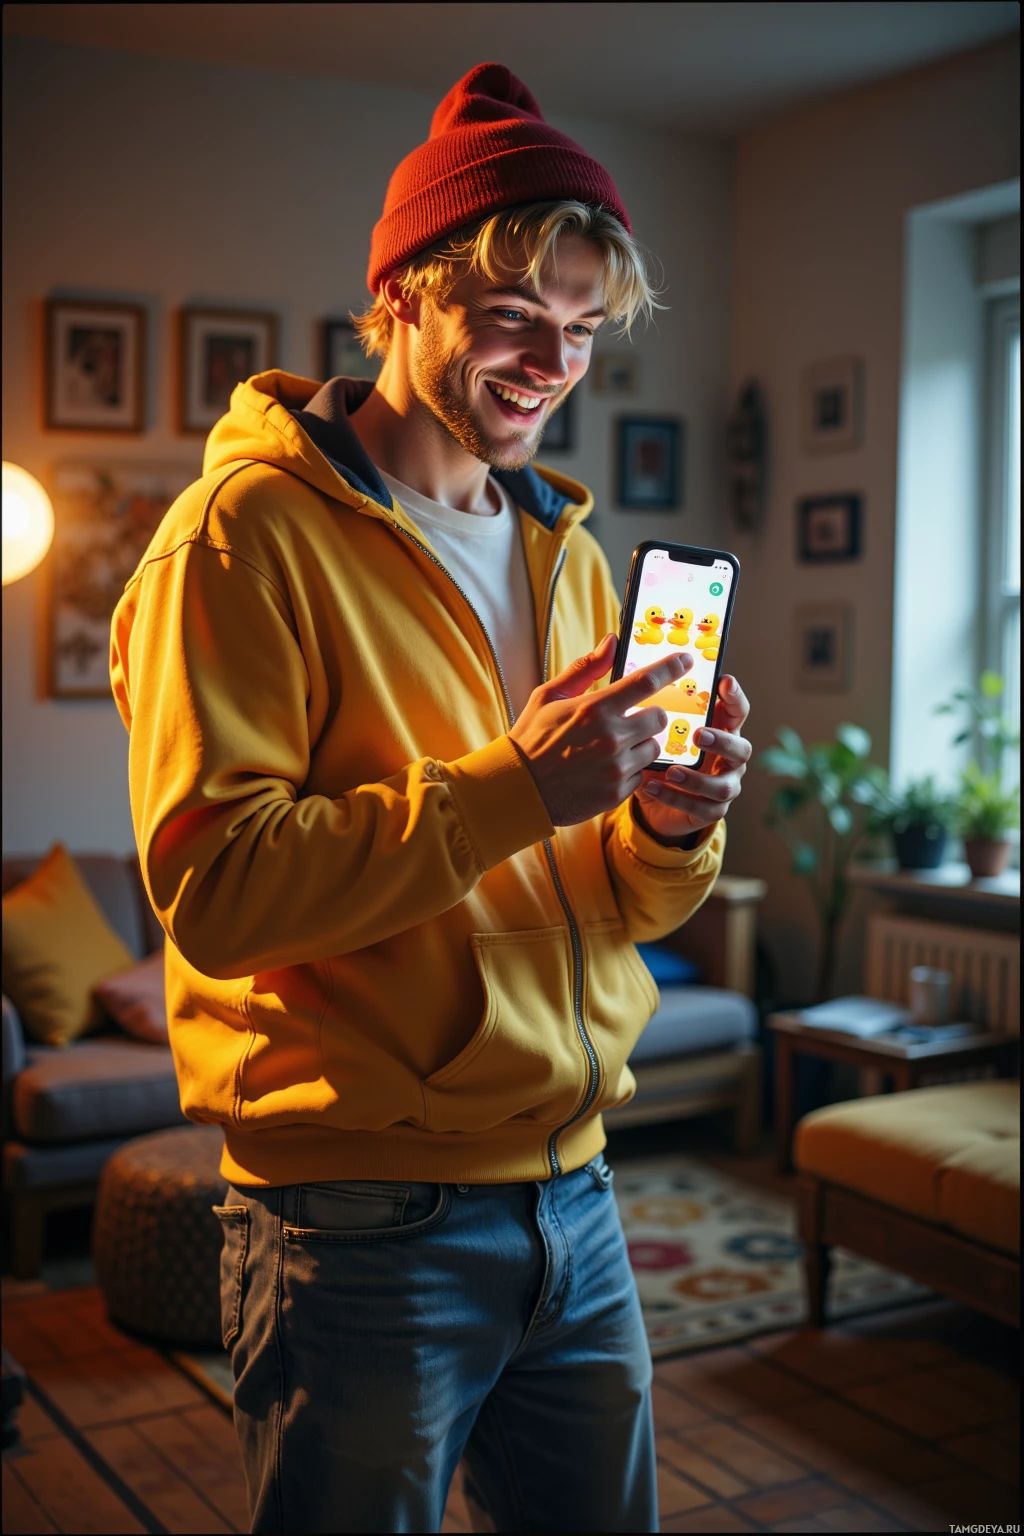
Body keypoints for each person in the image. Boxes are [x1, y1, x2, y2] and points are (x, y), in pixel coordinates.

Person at [110, 61, 751, 1536]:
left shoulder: (566, 553)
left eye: (582, 331)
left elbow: (598, 893)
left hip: (580, 1198)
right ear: (398, 296)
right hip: (359, 1227)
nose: (550, 363)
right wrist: (518, 786)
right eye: (515, 316)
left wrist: (666, 827)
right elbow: (218, 892)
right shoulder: (241, 539)